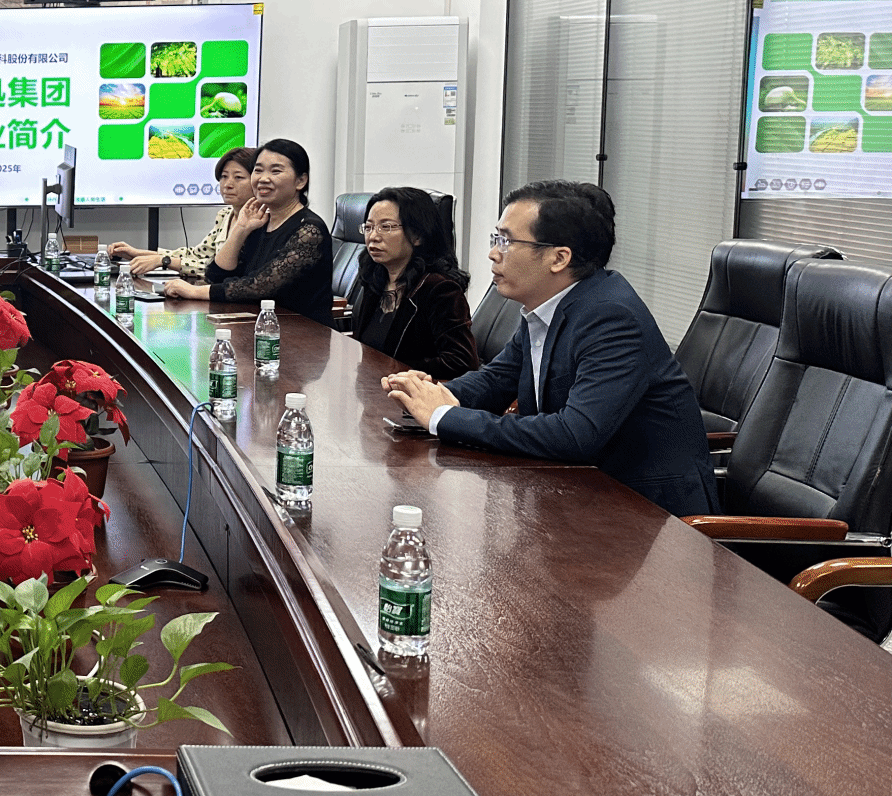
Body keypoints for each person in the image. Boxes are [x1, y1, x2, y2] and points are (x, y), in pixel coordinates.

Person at [385, 180, 719, 515]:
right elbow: (496, 379)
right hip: (577, 494)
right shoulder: (550, 306)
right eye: (495, 238)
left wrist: (445, 416)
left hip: (648, 513)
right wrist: (428, 396)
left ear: (559, 258)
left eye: (506, 241)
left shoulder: (611, 317)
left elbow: (575, 434)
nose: (493, 253)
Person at [165, 138, 334, 325]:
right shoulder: (259, 223)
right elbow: (215, 276)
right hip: (257, 325)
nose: (263, 179)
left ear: (300, 181)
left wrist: (194, 291)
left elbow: (261, 286)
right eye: (258, 170)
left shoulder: (309, 230)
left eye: (275, 171)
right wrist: (240, 229)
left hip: (304, 332)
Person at [344, 187, 479, 379]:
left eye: (386, 227)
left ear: (417, 235)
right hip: (371, 385)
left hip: (407, 392)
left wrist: (396, 371)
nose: (373, 236)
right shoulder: (374, 277)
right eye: (368, 227)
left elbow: (462, 362)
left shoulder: (439, 289)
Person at [109, 146, 257, 278]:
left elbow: (219, 271)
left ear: (257, 180)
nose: (227, 184)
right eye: (224, 176)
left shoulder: (259, 221)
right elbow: (197, 255)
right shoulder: (225, 215)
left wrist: (164, 261)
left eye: (238, 177)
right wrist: (137, 253)